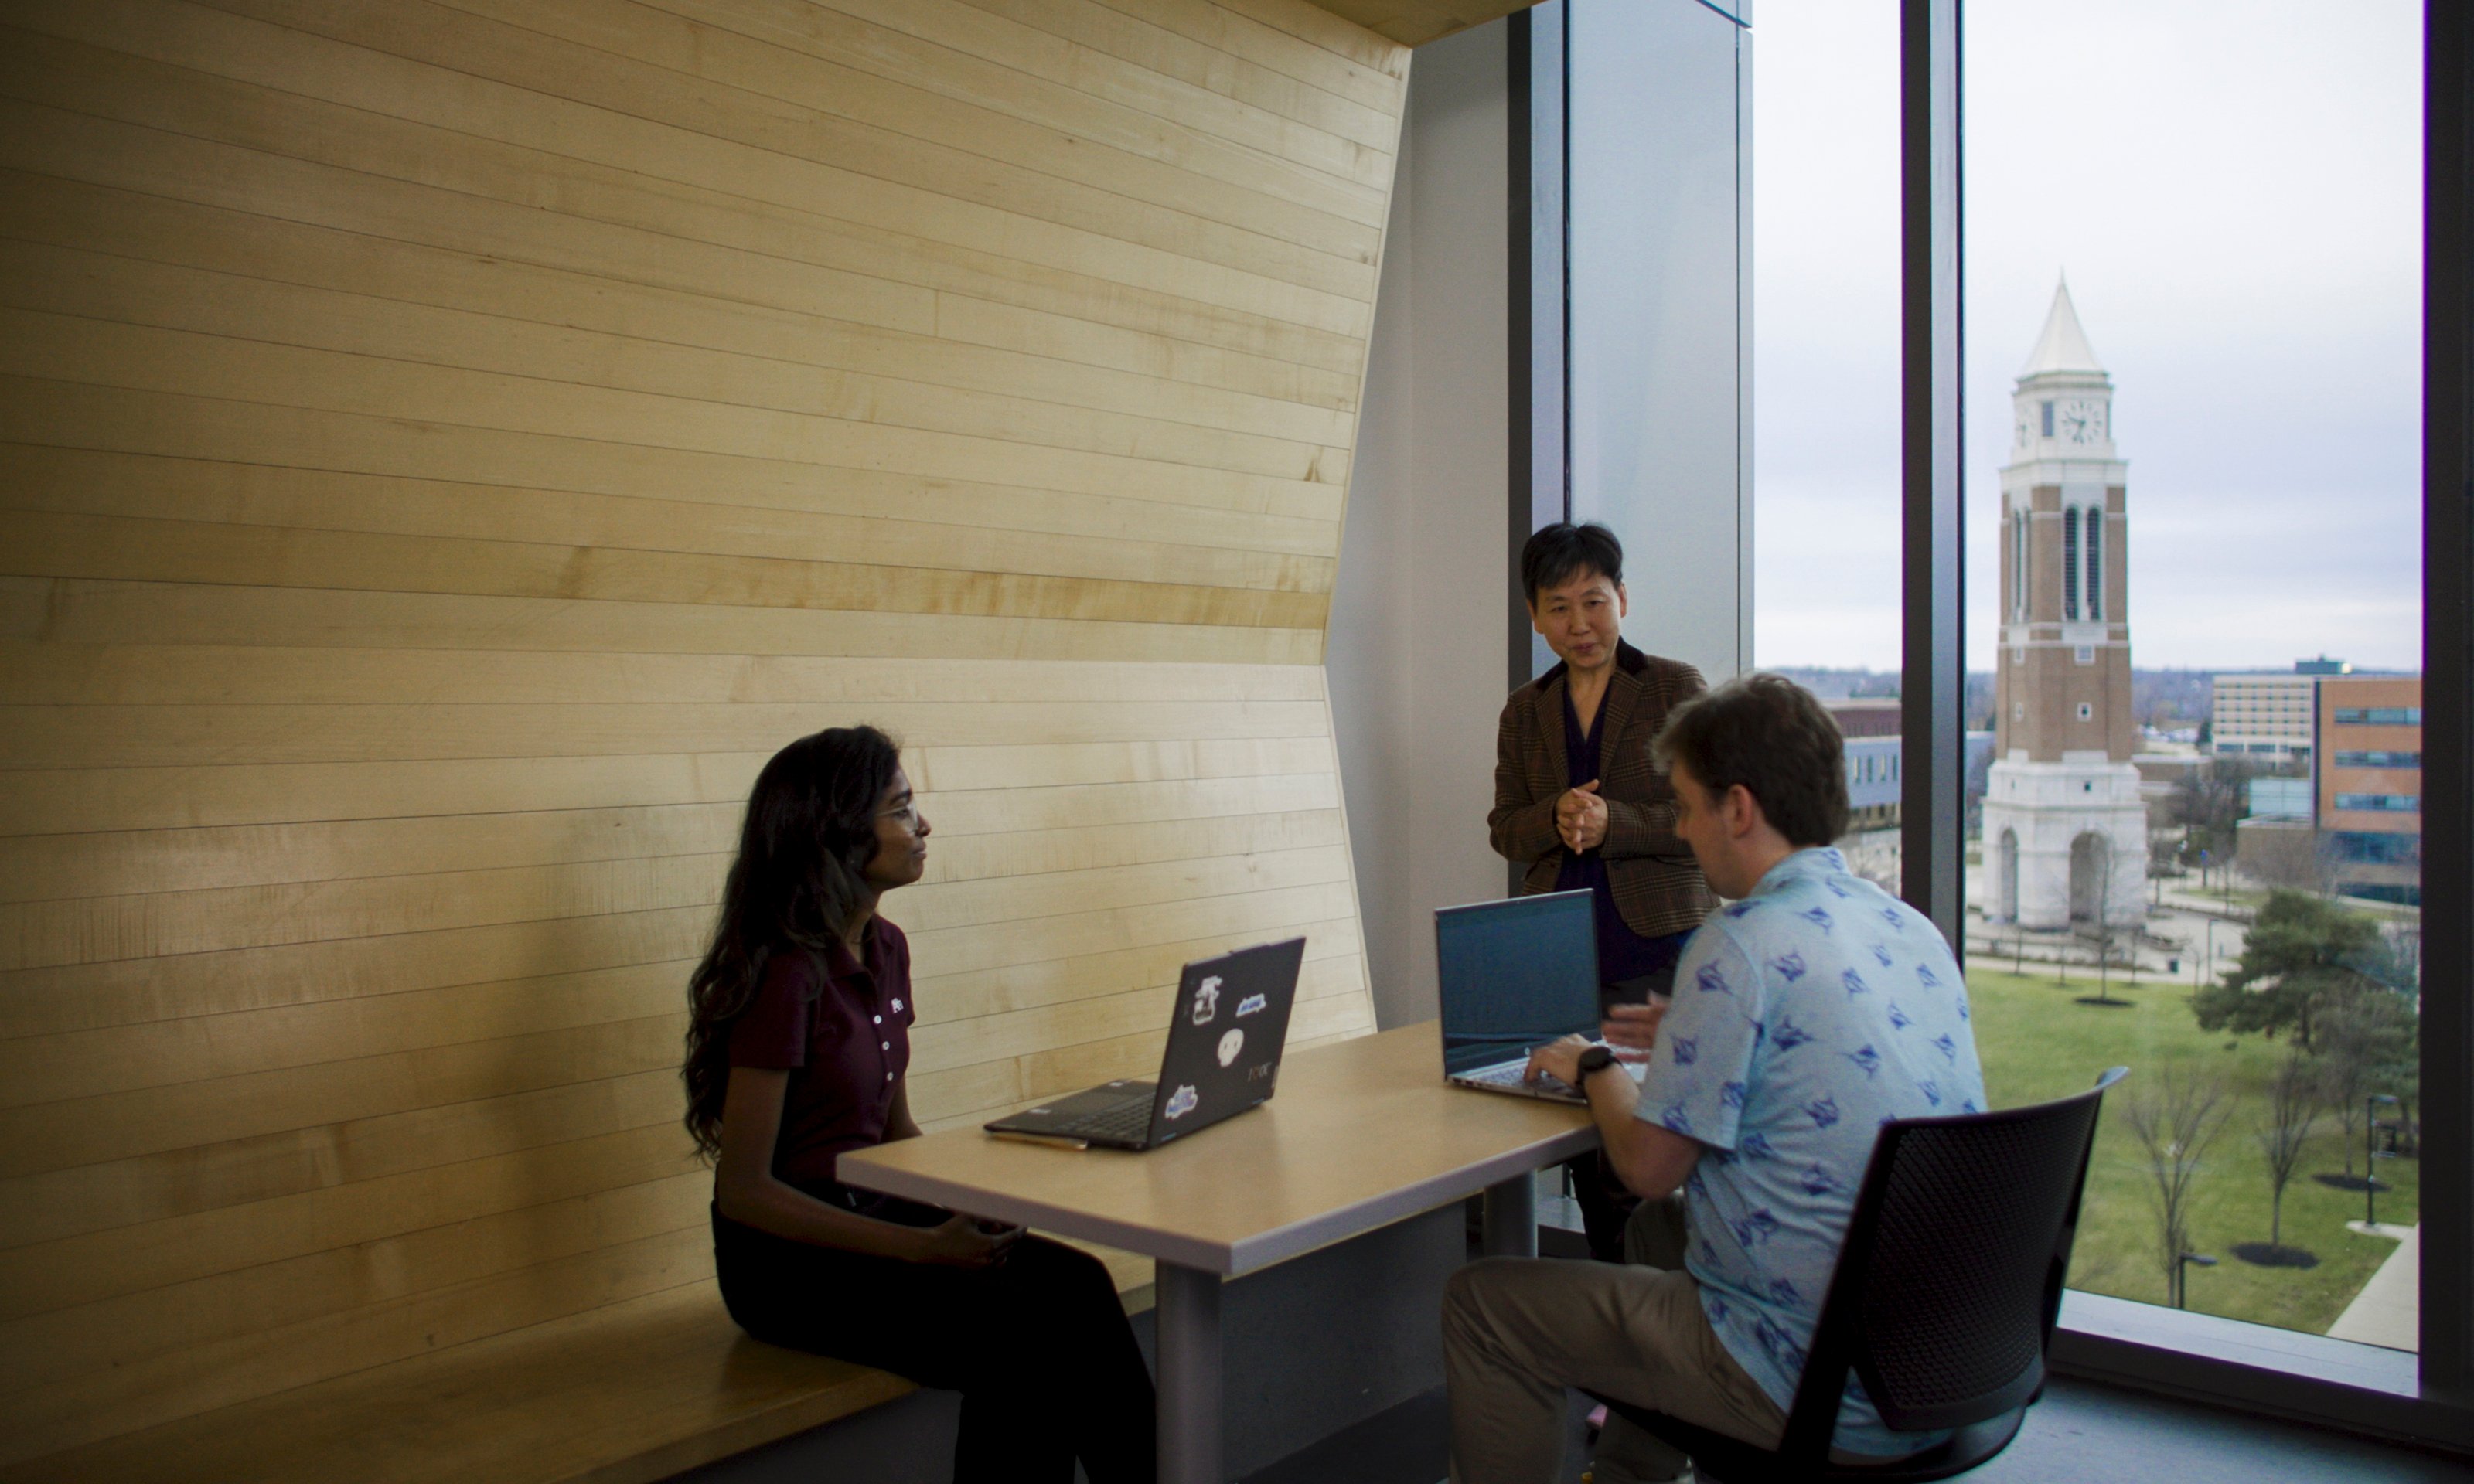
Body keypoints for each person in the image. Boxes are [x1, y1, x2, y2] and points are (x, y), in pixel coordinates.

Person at [1444, 675, 1987, 1483]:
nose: (1683, 831)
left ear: (1737, 809)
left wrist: (1592, 1063)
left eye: (1687, 808)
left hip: (1805, 1377)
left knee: (1482, 1305)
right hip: (1927, 1361)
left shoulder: (1737, 943)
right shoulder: (1903, 925)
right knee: (1653, 1234)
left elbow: (1643, 1166)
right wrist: (1707, 1032)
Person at [683, 727, 1155, 1484]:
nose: (922, 826)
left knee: (1079, 1286)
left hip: (875, 1209)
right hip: (785, 1261)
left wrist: (970, 1206)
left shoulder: (886, 947)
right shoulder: (784, 977)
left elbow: (896, 1135)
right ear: (835, 832)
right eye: (899, 809)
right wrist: (921, 1248)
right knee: (1020, 1340)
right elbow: (744, 1193)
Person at [1489, 522, 1718, 1261]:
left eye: (1594, 601)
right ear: (1534, 615)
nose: (1580, 624)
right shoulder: (1525, 709)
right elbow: (1504, 829)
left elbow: (1703, 819)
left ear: (1622, 598)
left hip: (1654, 947)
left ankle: (1660, 1311)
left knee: (1646, 1142)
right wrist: (1554, 817)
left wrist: (1613, 821)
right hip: (1559, 955)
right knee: (1581, 1143)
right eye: (1559, 607)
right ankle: (1615, 1303)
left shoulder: (1674, 688)